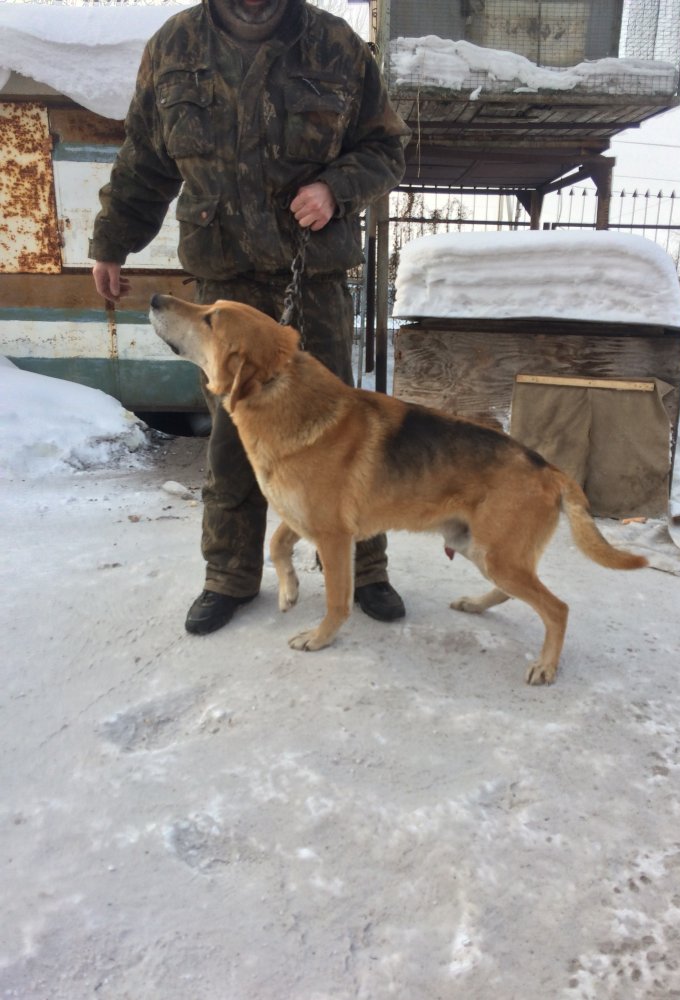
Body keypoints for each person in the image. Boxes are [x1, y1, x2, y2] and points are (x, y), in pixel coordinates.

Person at [90, 0, 410, 635]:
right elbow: (145, 159)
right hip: (222, 280)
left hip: (312, 280)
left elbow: (385, 148)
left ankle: (363, 567)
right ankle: (230, 575)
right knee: (233, 436)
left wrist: (335, 187)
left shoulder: (335, 44)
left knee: (342, 431)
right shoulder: (176, 45)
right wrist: (111, 241)